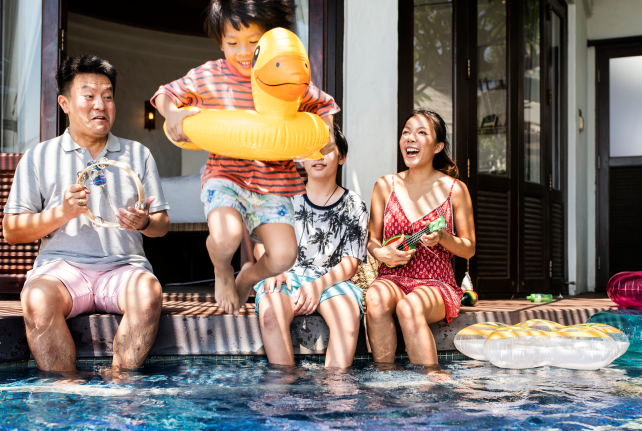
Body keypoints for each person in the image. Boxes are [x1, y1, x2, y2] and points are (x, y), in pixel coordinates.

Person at [151, 0, 339, 316]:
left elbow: (324, 104)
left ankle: (248, 275)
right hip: (226, 175)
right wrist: (172, 114)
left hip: (274, 182)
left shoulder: (282, 77)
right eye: (232, 43)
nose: (242, 51)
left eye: (253, 43)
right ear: (220, 42)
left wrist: (327, 132)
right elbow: (165, 94)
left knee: (283, 256)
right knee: (226, 238)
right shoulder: (210, 76)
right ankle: (223, 268)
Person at [3, 55, 170, 372]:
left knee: (149, 294)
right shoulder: (39, 156)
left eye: (108, 96)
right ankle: (68, 391)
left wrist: (145, 222)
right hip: (62, 270)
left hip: (124, 268)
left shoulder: (138, 154)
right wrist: (61, 213)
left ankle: (119, 386)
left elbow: (161, 226)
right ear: (64, 103)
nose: (101, 105)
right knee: (37, 299)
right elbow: (11, 231)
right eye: (89, 96)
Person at [365, 109, 476, 367]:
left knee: (409, 307)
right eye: (406, 132)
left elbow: (468, 249)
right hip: (392, 277)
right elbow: (372, 239)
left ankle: (431, 387)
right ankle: (384, 380)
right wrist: (380, 253)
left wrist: (444, 238)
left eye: (421, 133)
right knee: (375, 297)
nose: (410, 138)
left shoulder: (455, 190)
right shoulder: (385, 186)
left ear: (438, 146)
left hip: (436, 281)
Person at [253, 125, 367, 368]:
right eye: (311, 149)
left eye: (326, 148)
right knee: (271, 314)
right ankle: (284, 392)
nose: (318, 155)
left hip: (332, 280)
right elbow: (262, 246)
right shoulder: (282, 197)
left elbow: (350, 263)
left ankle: (336, 394)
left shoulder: (354, 204)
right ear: (300, 158)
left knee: (347, 317)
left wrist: (317, 286)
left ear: (342, 157)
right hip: (285, 274)